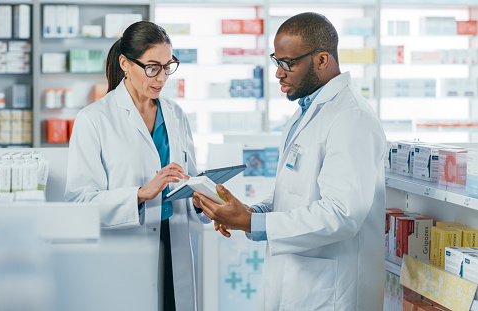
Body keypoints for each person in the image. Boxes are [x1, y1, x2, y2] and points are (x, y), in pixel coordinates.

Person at [194, 12, 386, 310]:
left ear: (322, 60)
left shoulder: (351, 118)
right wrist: (249, 212)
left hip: (332, 292)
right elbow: (292, 194)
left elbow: (342, 215)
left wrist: (252, 222)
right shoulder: (306, 112)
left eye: (288, 63)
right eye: (277, 61)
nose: (278, 74)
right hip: (299, 281)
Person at [64, 21, 210, 311]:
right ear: (125, 63)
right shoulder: (94, 119)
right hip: (126, 250)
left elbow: (188, 177)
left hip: (175, 245)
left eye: (168, 66)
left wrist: (202, 198)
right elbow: (79, 202)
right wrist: (141, 194)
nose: (162, 78)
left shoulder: (176, 114)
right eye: (152, 67)